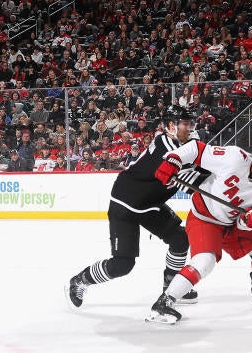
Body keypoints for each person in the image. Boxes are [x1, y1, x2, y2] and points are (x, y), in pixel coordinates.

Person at [65, 106, 204, 309]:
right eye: (184, 124)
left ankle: (171, 285)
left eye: (189, 123)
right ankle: (80, 280)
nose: (188, 128)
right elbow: (192, 176)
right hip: (126, 204)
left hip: (149, 204)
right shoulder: (167, 149)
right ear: (171, 127)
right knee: (123, 264)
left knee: (180, 238)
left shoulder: (182, 146)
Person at [146, 142, 252, 324]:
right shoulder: (235, 158)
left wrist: (249, 220)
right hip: (204, 218)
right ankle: (164, 303)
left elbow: (246, 221)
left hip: (231, 225)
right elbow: (197, 149)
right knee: (205, 262)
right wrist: (174, 160)